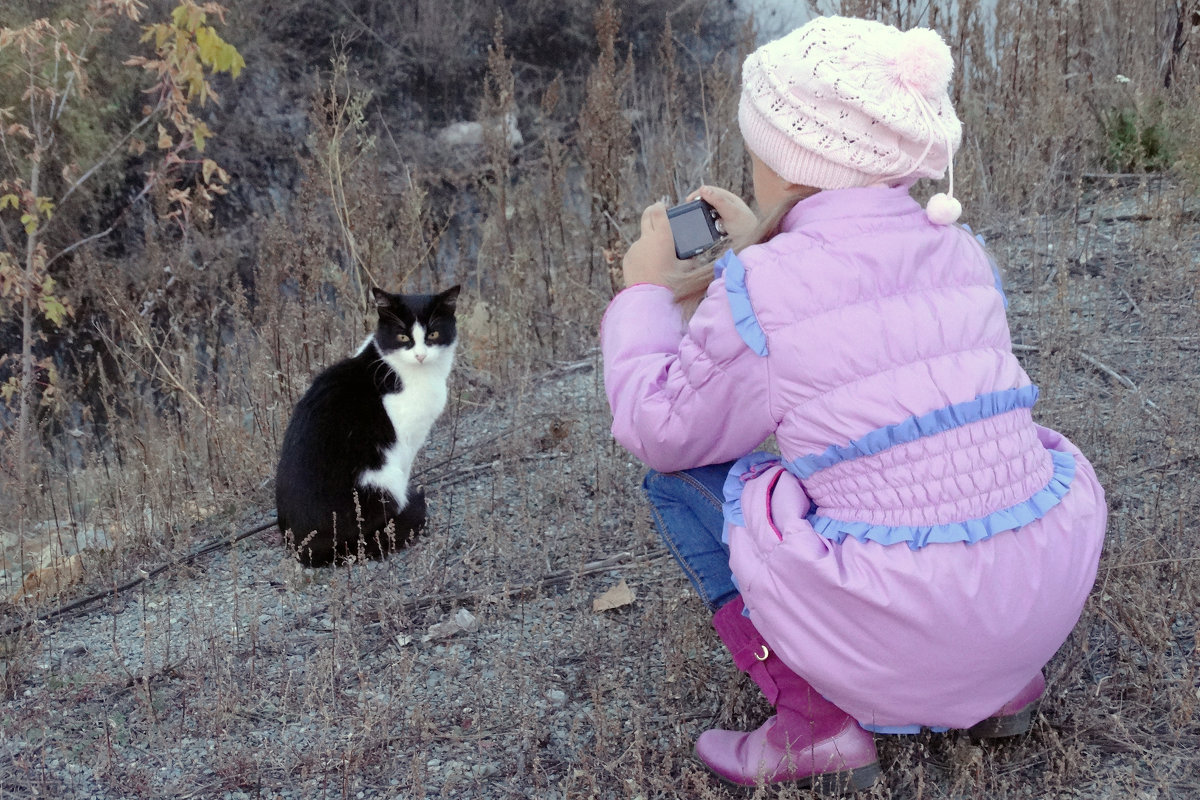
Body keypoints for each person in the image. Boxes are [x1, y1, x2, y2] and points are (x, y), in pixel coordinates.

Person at [599, 15, 1107, 793]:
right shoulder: (961, 249)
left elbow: (662, 429)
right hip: (1033, 601)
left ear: (786, 163)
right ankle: (996, 688)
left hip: (904, 628)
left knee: (681, 481)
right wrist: (764, 243)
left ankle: (814, 727)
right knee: (951, 461)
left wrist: (642, 292)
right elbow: (863, 325)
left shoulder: (760, 290)